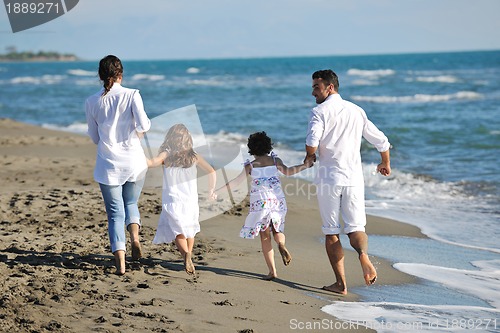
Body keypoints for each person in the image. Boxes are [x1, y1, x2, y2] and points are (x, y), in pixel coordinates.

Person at [304, 69, 391, 295]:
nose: (313, 91)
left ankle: (341, 284)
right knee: (356, 227)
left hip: (329, 179)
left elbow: (312, 141)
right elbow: (381, 140)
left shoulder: (319, 111)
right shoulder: (356, 110)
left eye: (316, 87)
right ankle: (363, 256)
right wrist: (385, 163)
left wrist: (309, 156)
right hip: (353, 179)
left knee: (332, 232)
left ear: (329, 87)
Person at [85, 55, 151, 275]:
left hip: (108, 164)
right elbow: (144, 124)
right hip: (134, 161)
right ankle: (135, 238)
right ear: (121, 74)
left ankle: (121, 264)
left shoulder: (92, 101)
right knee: (131, 202)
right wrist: (136, 135)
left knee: (115, 214)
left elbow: (94, 138)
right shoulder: (133, 94)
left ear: (100, 75)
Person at [217, 131, 313, 280]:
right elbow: (288, 172)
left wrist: (219, 191)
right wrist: (304, 165)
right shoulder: (275, 161)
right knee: (278, 228)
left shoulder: (251, 165)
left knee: (265, 236)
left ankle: (272, 271)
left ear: (251, 149)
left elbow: (236, 182)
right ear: (268, 146)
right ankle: (281, 245)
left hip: (260, 201)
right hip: (277, 200)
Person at [147, 124, 216, 275]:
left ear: (170, 138)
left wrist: (136, 157)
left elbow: (151, 163)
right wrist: (211, 190)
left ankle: (186, 255)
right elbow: (211, 171)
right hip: (190, 200)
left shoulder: (167, 154)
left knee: (178, 232)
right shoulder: (194, 156)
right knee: (189, 231)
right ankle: (188, 255)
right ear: (188, 139)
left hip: (173, 199)